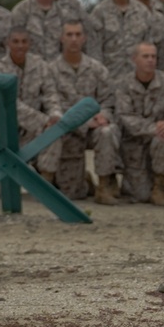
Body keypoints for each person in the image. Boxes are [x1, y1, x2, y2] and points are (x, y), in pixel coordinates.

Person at [51, 20, 120, 205]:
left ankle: (104, 186)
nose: (74, 39)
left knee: (107, 132)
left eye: (78, 35)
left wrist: (103, 115)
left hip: (95, 129)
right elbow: (52, 104)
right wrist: (82, 122)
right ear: (61, 38)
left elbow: (109, 99)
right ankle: (84, 181)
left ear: (84, 38)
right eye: (69, 35)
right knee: (72, 193)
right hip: (67, 132)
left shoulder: (97, 69)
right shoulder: (51, 70)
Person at [0, 28, 63, 183]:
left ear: (30, 44)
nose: (20, 46)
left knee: (54, 132)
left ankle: (45, 180)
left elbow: (50, 94)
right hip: (3, 128)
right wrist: (44, 121)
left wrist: (55, 115)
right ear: (8, 43)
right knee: (3, 187)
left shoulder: (40, 66)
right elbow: (8, 103)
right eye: (15, 41)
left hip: (33, 128)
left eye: (24, 41)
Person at [115, 42, 164, 206]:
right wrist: (155, 128)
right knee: (140, 195)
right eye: (145, 56)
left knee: (163, 139)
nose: (150, 60)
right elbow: (126, 117)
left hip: (162, 142)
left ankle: (160, 188)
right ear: (134, 59)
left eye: (153, 56)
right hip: (135, 145)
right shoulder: (123, 84)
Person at [11, 0, 88, 61]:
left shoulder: (65, 11)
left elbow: (79, 41)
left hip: (58, 70)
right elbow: (12, 46)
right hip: (31, 70)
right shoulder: (22, 11)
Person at [91, 0, 158, 80]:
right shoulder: (100, 12)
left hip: (137, 76)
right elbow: (94, 49)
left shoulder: (142, 12)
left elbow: (149, 45)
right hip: (109, 76)